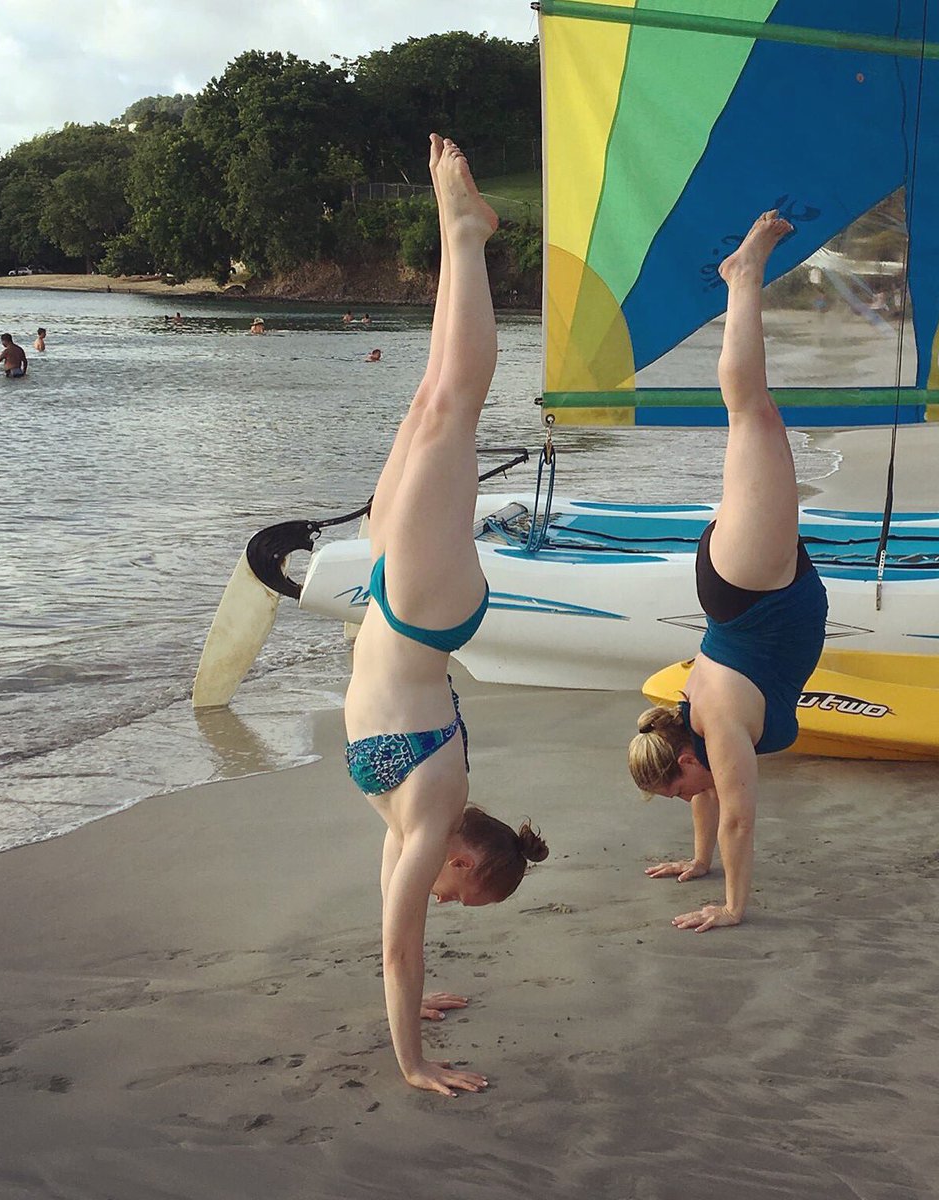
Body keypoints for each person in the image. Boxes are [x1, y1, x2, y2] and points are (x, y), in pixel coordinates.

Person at [343, 134, 548, 1097]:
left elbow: (394, 938)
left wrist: (414, 1002)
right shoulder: (429, 812)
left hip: (396, 596)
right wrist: (415, 1066)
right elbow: (400, 947)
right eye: (466, 896)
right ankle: (463, 231)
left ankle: (455, 225)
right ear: (464, 859)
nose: (448, 904)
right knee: (455, 410)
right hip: (423, 616)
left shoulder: (410, 825)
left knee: (429, 401)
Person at [628, 211, 828, 933]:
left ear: (684, 758)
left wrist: (733, 907)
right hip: (744, 585)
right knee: (753, 420)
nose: (690, 798)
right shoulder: (698, 730)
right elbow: (711, 798)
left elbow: (737, 813)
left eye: (679, 790)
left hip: (753, 586)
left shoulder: (716, 728)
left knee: (752, 414)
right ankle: (742, 280)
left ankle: (742, 279)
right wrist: (698, 862)